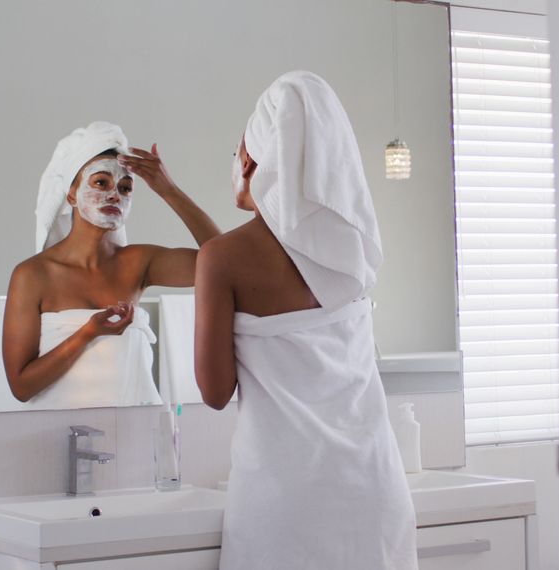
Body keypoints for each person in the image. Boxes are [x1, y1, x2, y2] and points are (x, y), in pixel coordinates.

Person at [194, 72, 418, 570]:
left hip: (284, 501)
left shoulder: (222, 258)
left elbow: (213, 392)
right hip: (374, 491)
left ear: (250, 158)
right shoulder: (355, 251)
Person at [2, 121, 220, 409]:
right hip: (58, 439)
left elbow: (223, 262)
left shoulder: (140, 263)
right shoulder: (33, 275)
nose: (115, 194)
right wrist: (88, 333)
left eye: (126, 187)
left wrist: (169, 191)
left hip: (134, 436)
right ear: (71, 194)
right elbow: (21, 386)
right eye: (101, 182)